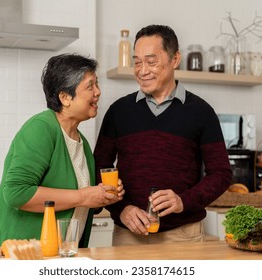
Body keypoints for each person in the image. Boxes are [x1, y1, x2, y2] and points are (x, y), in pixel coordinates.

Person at [94, 25, 232, 246]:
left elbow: (221, 173)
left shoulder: (202, 112)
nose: (142, 70)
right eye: (137, 62)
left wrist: (182, 201)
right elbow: (100, 167)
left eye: (151, 61)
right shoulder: (118, 111)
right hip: (129, 233)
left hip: (183, 235)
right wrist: (121, 209)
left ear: (175, 59)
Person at [0, 53, 124, 253]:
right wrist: (83, 196)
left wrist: (101, 196)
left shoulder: (81, 143)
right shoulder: (41, 128)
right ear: (65, 97)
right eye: (90, 86)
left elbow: (77, 202)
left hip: (59, 254)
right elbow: (16, 193)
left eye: (97, 84)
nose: (98, 92)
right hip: (20, 253)